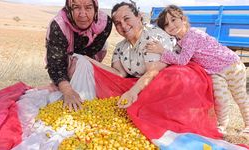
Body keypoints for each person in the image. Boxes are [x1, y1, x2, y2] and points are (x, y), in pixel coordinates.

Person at [85, 1, 221, 139]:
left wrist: (132, 93)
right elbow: (118, 75)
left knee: (175, 76)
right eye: (118, 23)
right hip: (142, 83)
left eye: (127, 19)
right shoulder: (120, 47)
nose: (123, 26)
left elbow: (154, 71)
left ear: (138, 17)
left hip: (164, 82)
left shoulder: (152, 36)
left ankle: (158, 117)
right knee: (119, 88)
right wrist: (90, 61)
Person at [146, 5, 249, 133]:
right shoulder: (179, 42)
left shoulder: (192, 34)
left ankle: (248, 124)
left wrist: (162, 51)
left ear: (183, 19)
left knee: (240, 97)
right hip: (214, 72)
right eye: (166, 24)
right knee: (220, 98)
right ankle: (222, 126)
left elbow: (182, 60)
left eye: (173, 20)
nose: (171, 25)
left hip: (231, 65)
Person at [45, 0, 112, 111]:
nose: (82, 14)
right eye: (76, 7)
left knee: (83, 63)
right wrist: (67, 90)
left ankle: (86, 97)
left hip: (87, 60)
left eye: (88, 7)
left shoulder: (105, 23)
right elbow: (56, 64)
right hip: (64, 60)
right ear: (69, 9)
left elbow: (90, 54)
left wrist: (80, 70)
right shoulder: (59, 26)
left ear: (96, 9)